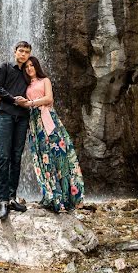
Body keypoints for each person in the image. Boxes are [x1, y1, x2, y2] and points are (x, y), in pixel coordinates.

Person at [22, 56, 84, 212]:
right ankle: (50, 195)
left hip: (48, 120)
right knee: (43, 159)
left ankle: (66, 197)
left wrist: (31, 103)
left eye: (32, 65)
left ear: (37, 66)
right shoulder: (26, 84)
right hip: (34, 124)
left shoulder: (45, 80)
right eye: (27, 66)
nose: (30, 68)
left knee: (59, 156)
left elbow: (49, 98)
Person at [0, 41, 33, 220]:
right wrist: (11, 99)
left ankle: (12, 197)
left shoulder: (29, 72)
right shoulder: (6, 67)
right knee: (4, 156)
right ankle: (2, 201)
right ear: (14, 51)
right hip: (5, 115)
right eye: (20, 51)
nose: (23, 54)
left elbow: (37, 89)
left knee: (16, 157)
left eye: (26, 52)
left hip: (22, 118)